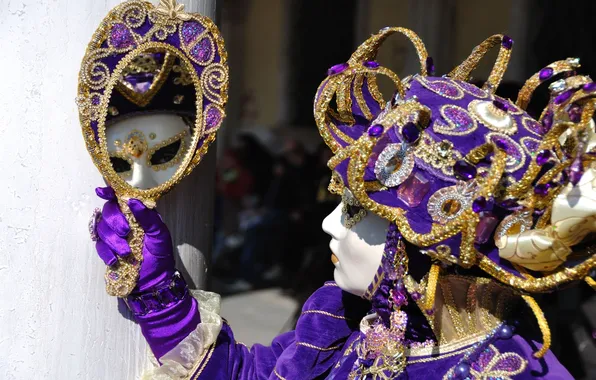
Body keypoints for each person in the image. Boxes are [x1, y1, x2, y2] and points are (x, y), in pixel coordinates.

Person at [92, 23, 595, 380]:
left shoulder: (519, 372)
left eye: (357, 210)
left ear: (425, 239)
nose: (330, 225)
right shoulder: (346, 318)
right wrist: (158, 289)